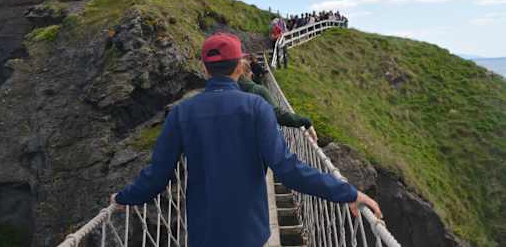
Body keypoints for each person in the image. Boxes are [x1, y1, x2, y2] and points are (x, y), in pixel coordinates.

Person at [111, 33, 382, 247]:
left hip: (204, 234)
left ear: (206, 69)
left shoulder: (182, 112)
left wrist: (124, 197)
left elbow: (158, 175)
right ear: (240, 66)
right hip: (249, 232)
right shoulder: (256, 107)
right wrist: (347, 192)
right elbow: (288, 170)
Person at [239, 59, 317, 141]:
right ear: (251, 74)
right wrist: (305, 121)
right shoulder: (258, 91)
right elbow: (278, 115)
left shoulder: (226, 93)